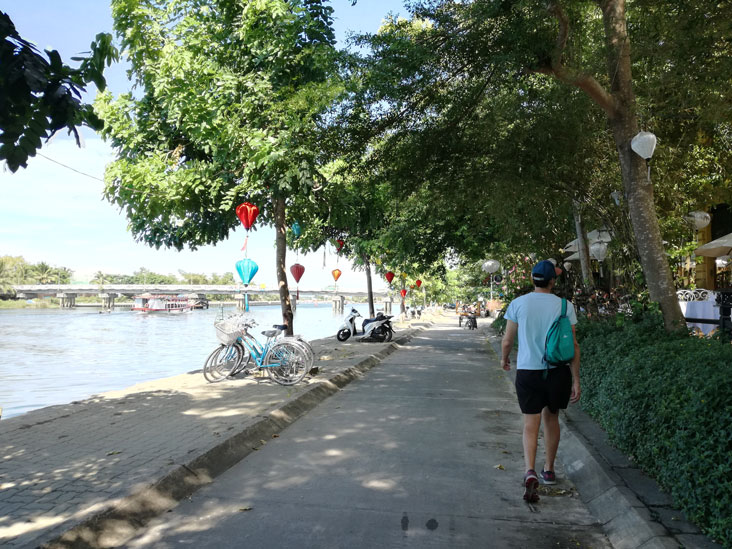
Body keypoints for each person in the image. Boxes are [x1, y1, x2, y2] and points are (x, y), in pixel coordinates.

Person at [500, 260, 581, 503]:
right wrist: (576, 379)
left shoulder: (518, 303)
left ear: (532, 279)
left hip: (528, 371)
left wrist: (504, 360)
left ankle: (529, 470)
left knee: (530, 423)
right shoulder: (565, 306)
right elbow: (573, 345)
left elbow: (507, 340)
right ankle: (548, 469)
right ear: (552, 281)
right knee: (551, 418)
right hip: (557, 371)